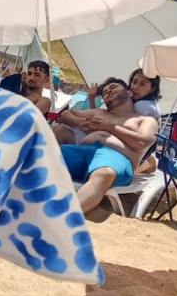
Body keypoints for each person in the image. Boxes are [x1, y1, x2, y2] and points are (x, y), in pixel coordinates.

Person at [57, 77, 159, 213]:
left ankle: (67, 216)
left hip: (116, 158)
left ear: (129, 92)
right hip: (84, 150)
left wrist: (109, 127)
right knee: (43, 155)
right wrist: (79, 122)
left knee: (104, 174)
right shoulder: (98, 113)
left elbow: (141, 143)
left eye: (113, 87)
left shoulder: (145, 120)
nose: (108, 91)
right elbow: (64, 115)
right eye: (104, 92)